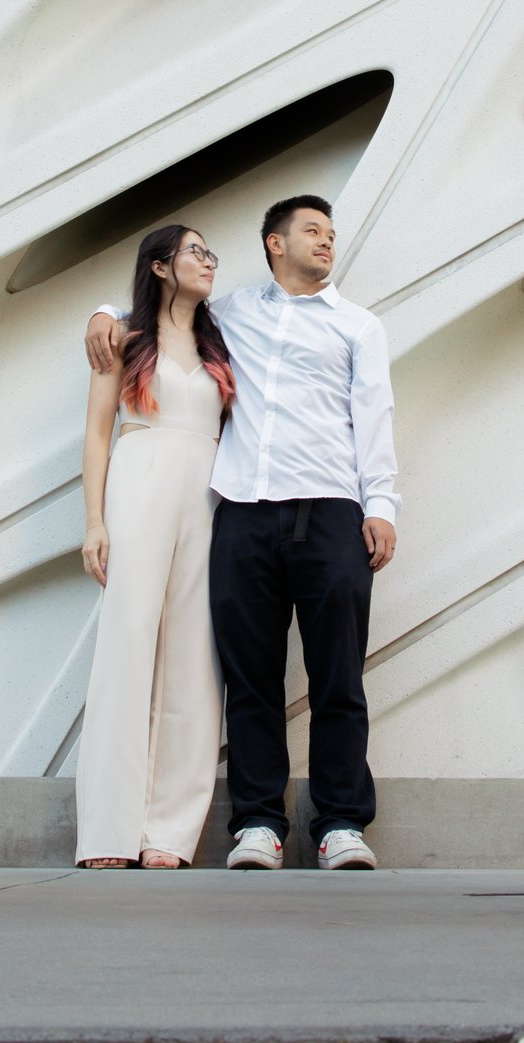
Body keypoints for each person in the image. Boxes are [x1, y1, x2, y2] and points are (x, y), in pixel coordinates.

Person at [84, 196, 397, 872]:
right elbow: (156, 311)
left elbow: (375, 415)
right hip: (244, 512)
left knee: (337, 674)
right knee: (248, 678)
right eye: (311, 231)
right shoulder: (231, 316)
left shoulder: (358, 326)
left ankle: (342, 822)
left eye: (331, 234)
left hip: (332, 508)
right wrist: (103, 312)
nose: (326, 242)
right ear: (273, 243)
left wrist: (383, 505)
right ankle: (259, 823)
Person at [72, 224, 233, 869]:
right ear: (161, 265)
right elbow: (96, 432)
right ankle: (109, 833)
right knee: (127, 642)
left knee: (194, 655)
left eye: (210, 253)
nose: (208, 262)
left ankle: (169, 831)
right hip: (138, 478)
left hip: (210, 490)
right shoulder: (126, 336)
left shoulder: (222, 341)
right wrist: (93, 521)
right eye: (196, 251)